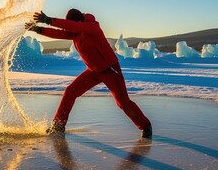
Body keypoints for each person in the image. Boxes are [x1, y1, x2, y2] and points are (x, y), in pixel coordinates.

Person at [25, 9, 152, 138]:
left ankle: (145, 126)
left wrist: (49, 20)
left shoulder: (92, 26)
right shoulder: (75, 32)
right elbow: (60, 33)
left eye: (71, 24)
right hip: (94, 70)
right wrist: (39, 30)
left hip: (110, 69)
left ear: (78, 21)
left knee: (122, 102)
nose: (71, 28)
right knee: (71, 91)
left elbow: (75, 26)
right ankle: (59, 125)